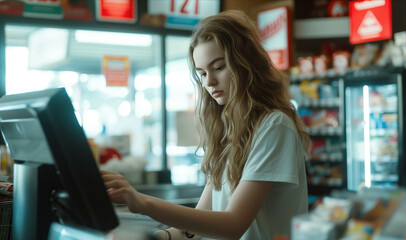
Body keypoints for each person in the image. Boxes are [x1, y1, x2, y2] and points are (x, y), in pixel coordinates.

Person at [101, 10, 312, 240]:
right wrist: (153, 238)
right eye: (202, 73)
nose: (209, 82)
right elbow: (198, 224)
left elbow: (233, 225)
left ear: (246, 63)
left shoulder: (274, 126)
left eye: (219, 67)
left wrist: (141, 202)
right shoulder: (229, 131)